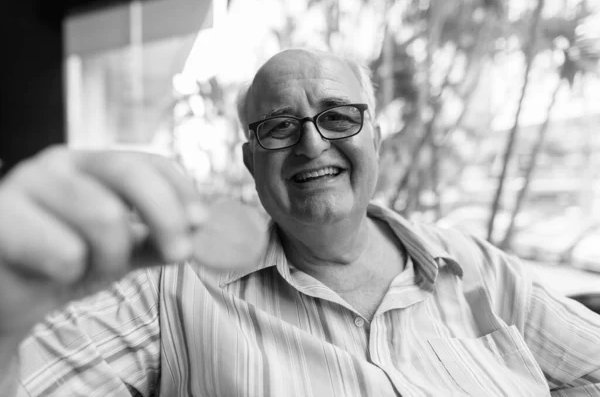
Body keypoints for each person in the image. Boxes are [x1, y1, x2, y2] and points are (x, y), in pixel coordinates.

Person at [0, 48, 599, 397]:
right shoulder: (170, 288)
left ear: (377, 139)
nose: (313, 145)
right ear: (251, 160)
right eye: (280, 126)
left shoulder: (473, 267)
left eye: (338, 116)